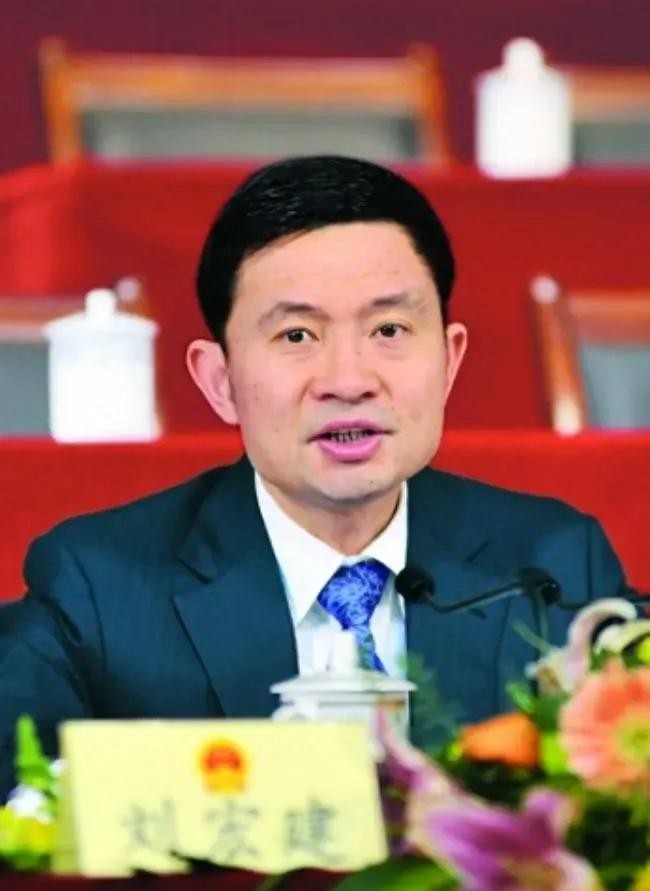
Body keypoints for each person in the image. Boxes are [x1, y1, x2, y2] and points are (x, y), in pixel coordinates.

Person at [0, 156, 624, 799]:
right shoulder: (99, 589)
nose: (348, 381)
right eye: (297, 335)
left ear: (449, 360)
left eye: (389, 329)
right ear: (219, 381)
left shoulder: (552, 570)